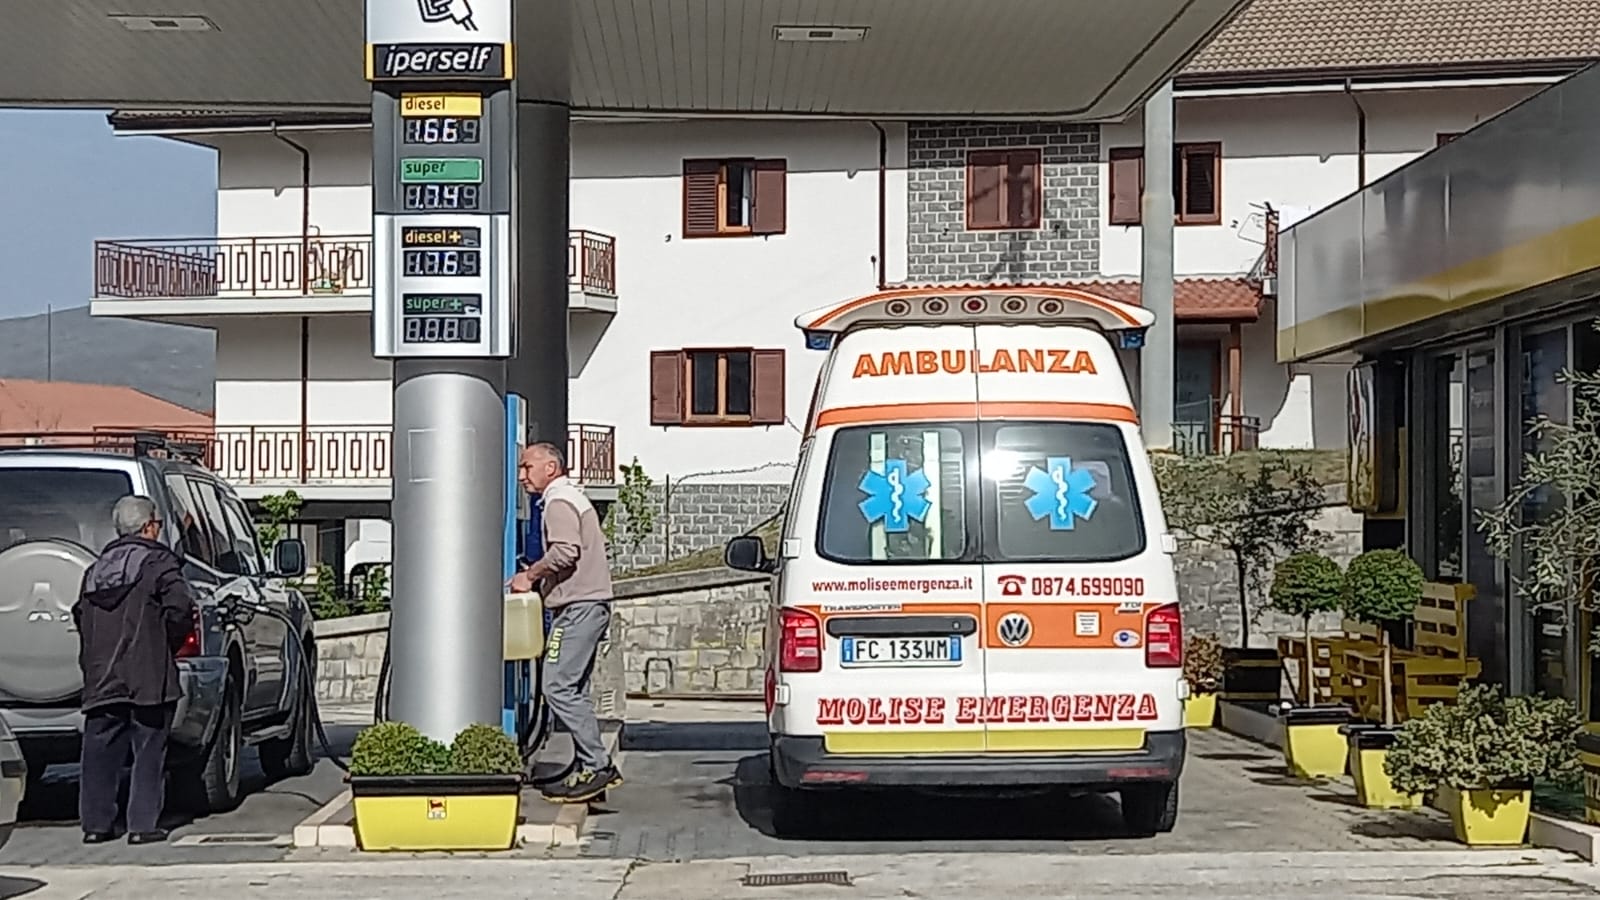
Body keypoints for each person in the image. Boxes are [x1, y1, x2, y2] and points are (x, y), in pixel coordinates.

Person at [73, 495, 196, 845]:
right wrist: (165, 643)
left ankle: (96, 826)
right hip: (149, 673)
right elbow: (180, 608)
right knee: (149, 748)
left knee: (99, 751)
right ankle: (142, 826)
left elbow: (80, 615)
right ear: (149, 527)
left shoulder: (95, 571)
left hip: (102, 674)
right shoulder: (159, 563)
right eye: (157, 524)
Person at [508, 441, 622, 803]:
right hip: (588, 606)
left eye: (527, 467)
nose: (521, 476)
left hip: (577, 609)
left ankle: (597, 766)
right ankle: (587, 768)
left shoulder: (558, 501)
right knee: (574, 689)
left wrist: (530, 577)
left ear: (551, 468)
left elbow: (565, 552)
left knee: (557, 686)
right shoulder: (571, 498)